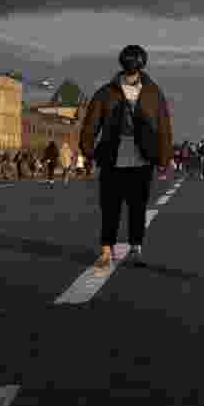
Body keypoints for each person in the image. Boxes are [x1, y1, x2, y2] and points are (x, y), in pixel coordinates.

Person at [79, 44, 173, 270]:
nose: (132, 71)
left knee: (138, 206)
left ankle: (136, 248)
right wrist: (88, 151)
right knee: (110, 206)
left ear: (141, 66)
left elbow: (163, 127)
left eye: (135, 67)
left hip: (142, 157)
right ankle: (106, 250)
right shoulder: (107, 92)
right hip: (113, 155)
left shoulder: (152, 92)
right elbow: (91, 124)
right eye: (130, 67)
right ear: (124, 66)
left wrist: (163, 158)